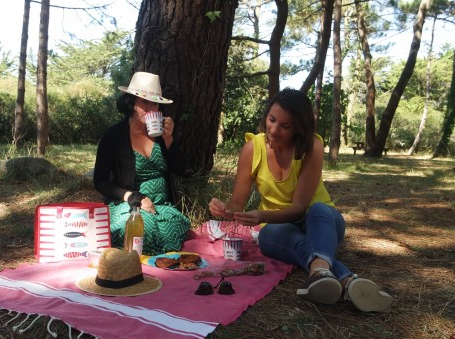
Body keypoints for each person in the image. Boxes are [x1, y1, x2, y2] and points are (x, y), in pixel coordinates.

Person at [208, 88, 392, 313]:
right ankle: (341, 279)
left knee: (318, 209)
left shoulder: (311, 147)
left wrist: (262, 215)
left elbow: (299, 209)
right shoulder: (251, 149)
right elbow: (236, 205)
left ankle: (325, 274)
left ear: (298, 128)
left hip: (322, 222)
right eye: (272, 120)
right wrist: (223, 208)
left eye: (285, 126)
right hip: (279, 229)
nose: (274, 130)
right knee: (268, 234)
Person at [93, 71, 190, 255]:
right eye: (144, 102)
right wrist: (133, 197)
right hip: (128, 204)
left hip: (162, 208)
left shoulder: (162, 135)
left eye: (154, 103)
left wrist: (169, 140)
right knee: (138, 231)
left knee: (169, 233)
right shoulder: (114, 136)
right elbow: (100, 181)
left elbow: (181, 169)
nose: (150, 108)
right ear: (131, 103)